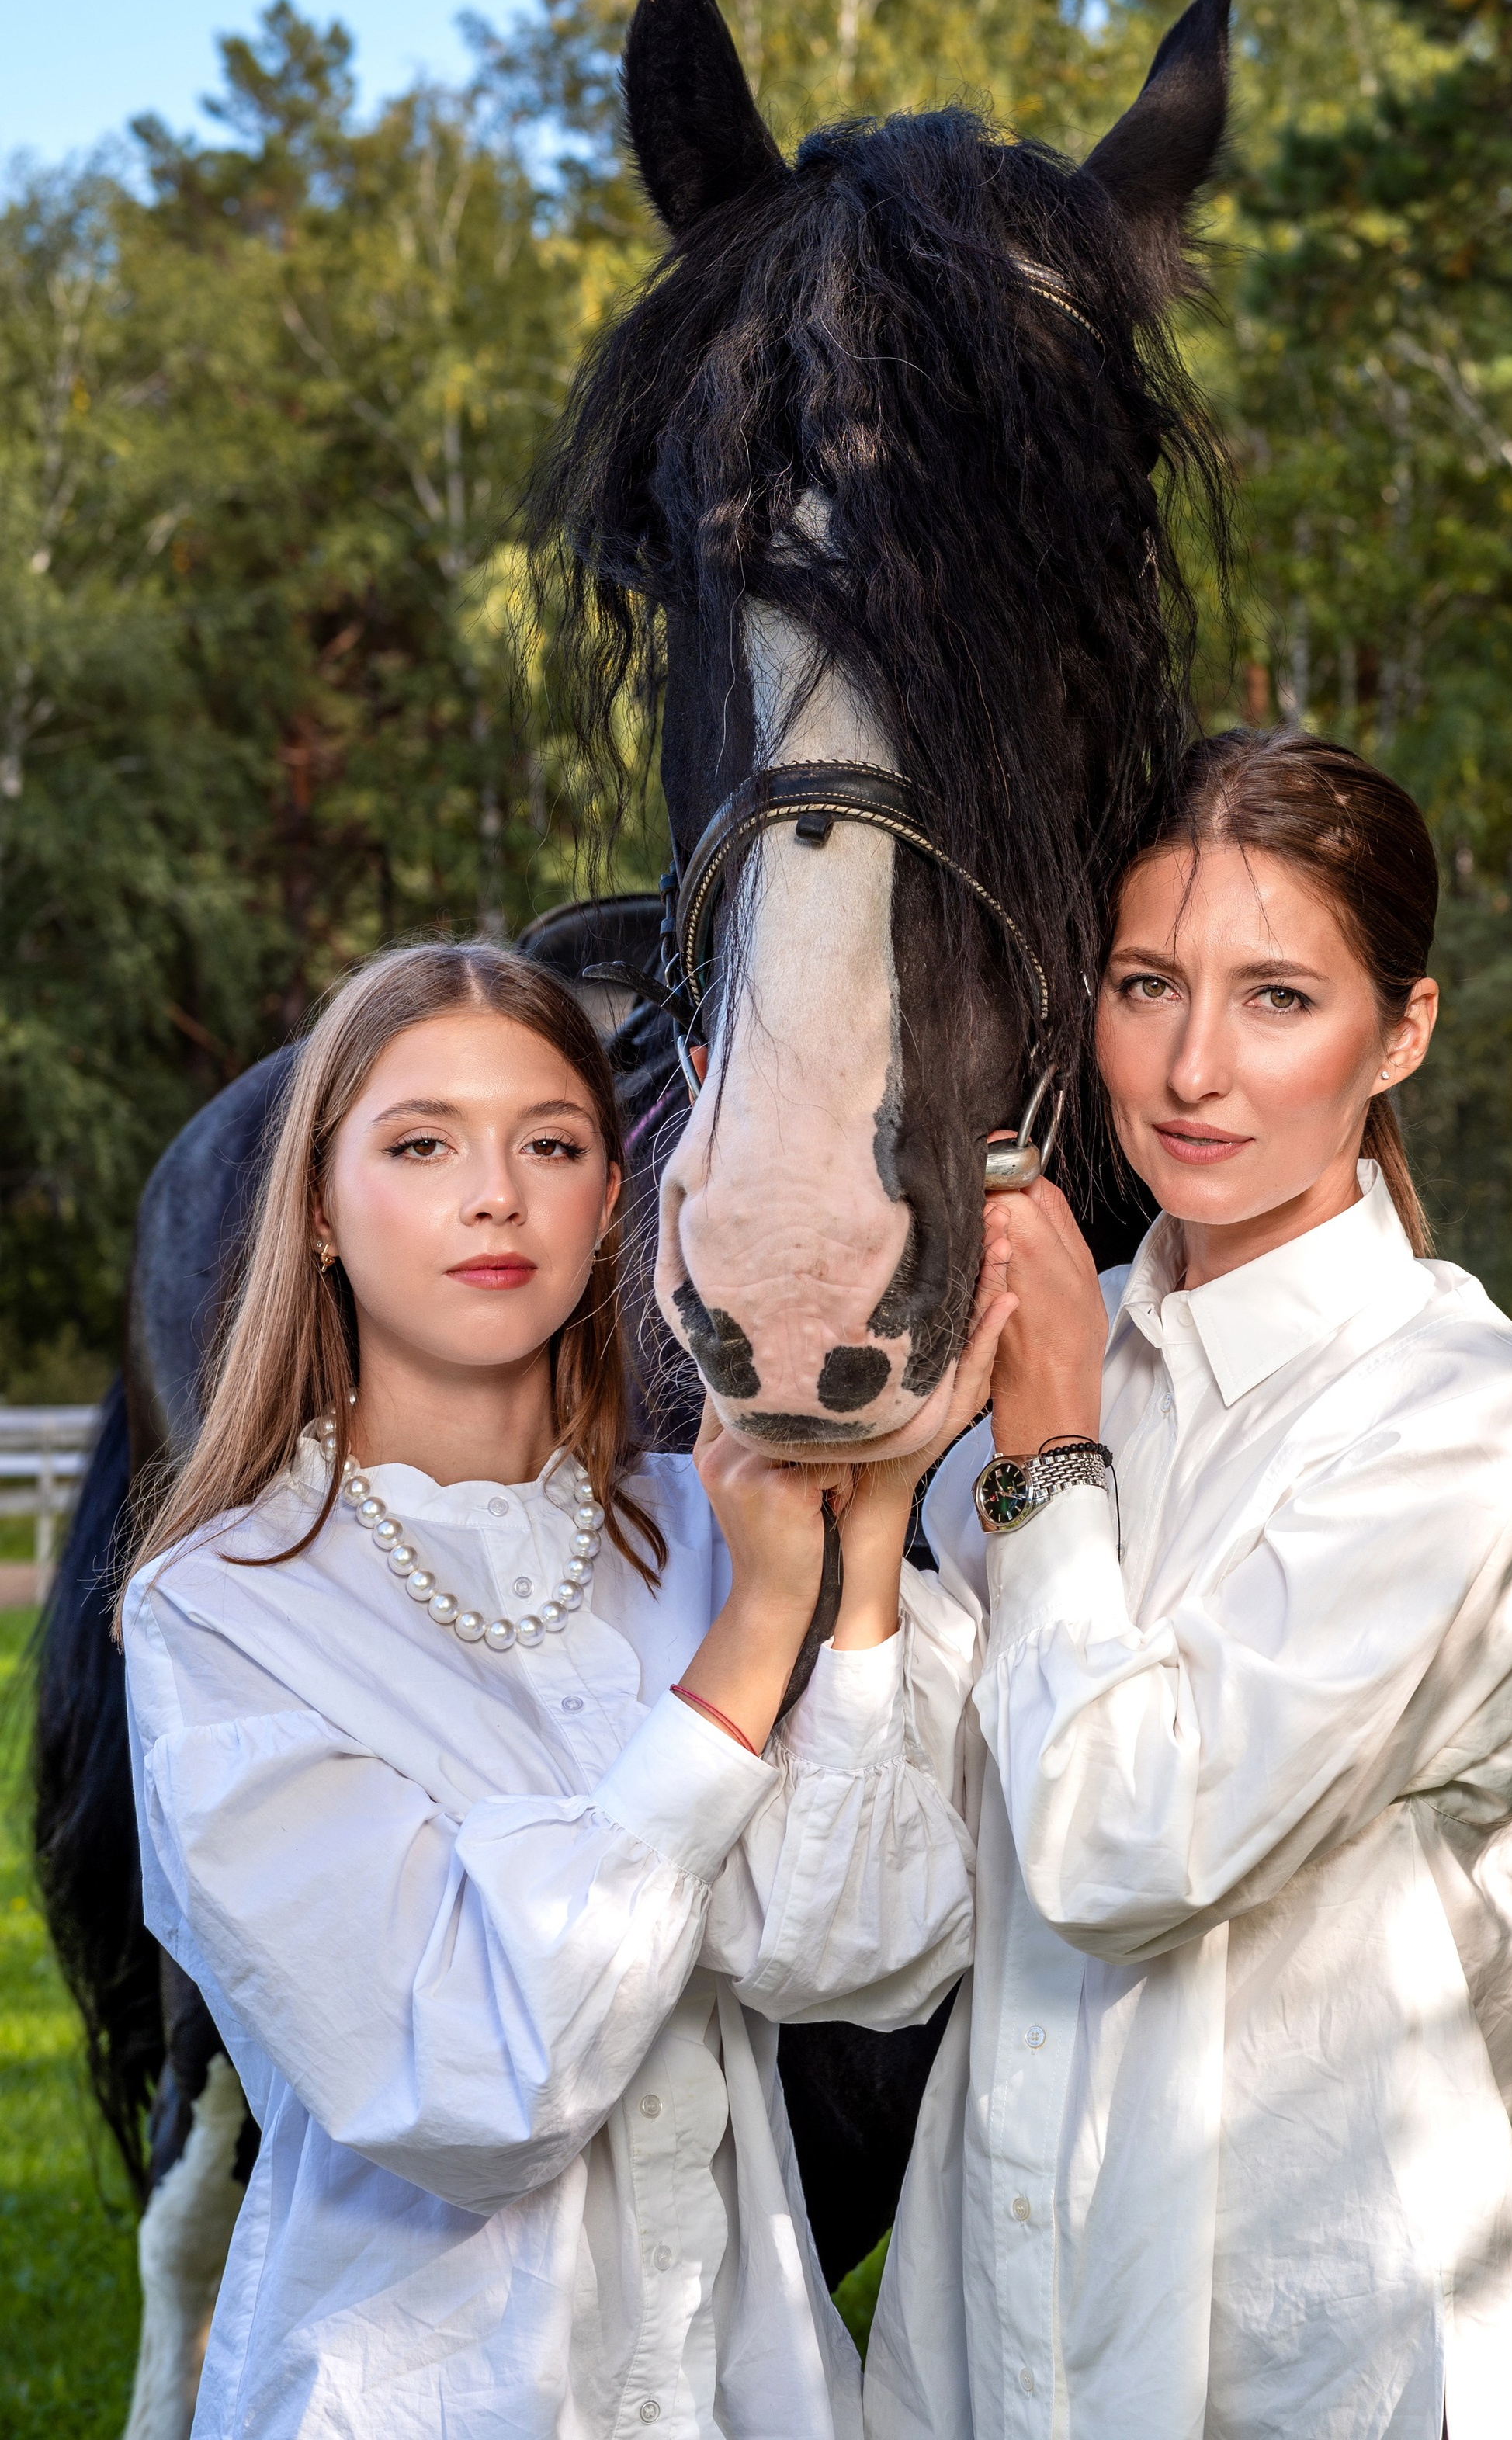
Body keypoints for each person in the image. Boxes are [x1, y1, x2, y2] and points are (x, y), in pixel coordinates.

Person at [865, 729, 1512, 2440]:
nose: (1192, 1068)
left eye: (1276, 997)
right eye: (1146, 985)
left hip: (1322, 2340)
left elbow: (1128, 1847)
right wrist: (850, 1537)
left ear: (1398, 1031)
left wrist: (1045, 1450)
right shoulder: (1061, 1334)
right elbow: (911, 1870)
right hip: (996, 2330)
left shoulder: (1463, 1415)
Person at [120, 940, 973, 2440]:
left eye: (553, 1144)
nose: (495, 1193)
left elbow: (858, 1953)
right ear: (318, 1209)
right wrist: (764, 1628)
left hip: (747, 2388)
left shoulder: (713, 1519)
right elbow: (471, 2083)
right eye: (422, 1143)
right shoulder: (225, 1614)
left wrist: (877, 1525)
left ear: (608, 1206)